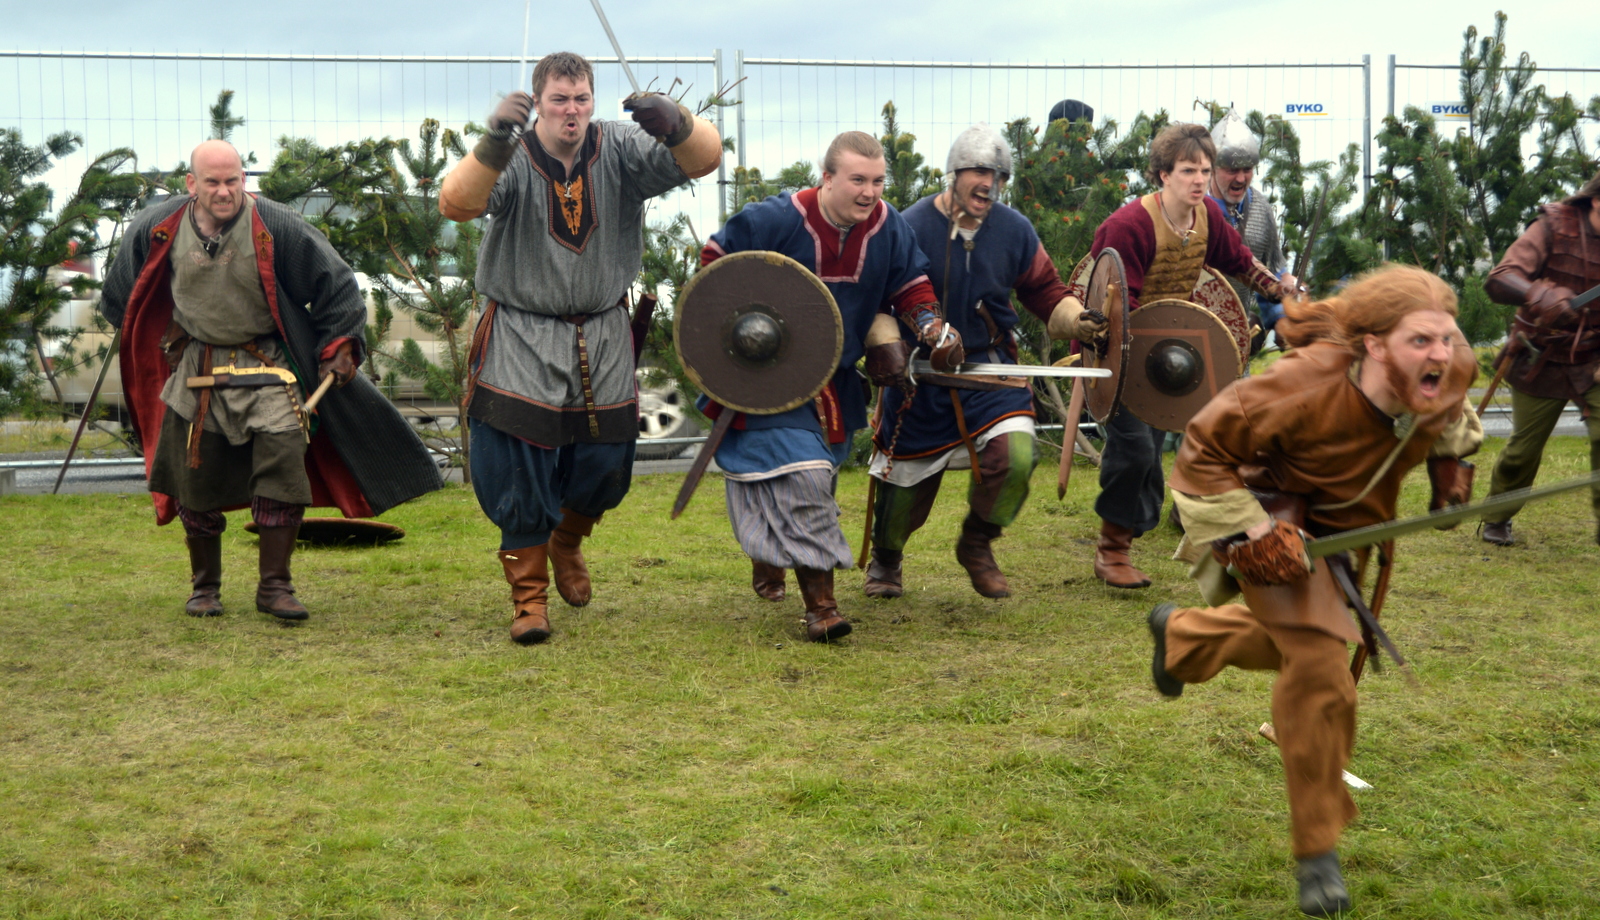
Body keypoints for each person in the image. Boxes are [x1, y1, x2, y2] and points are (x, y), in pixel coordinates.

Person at [1147, 263, 1481, 916]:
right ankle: (1317, 848)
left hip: (1350, 537)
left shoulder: (1449, 364)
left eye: (1446, 337)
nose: (1439, 353)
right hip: (1274, 522)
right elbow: (1201, 449)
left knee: (1300, 645)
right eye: (1421, 341)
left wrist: (1452, 467)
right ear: (1376, 345)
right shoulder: (1297, 386)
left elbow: (1453, 411)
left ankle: (1183, 637)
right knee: (1324, 675)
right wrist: (1252, 532)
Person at [439, 51, 721, 645]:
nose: (572, 110)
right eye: (560, 99)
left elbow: (705, 161)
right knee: (519, 461)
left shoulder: (619, 147)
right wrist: (493, 140)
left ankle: (566, 541)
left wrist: (677, 124)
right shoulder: (511, 154)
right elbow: (456, 203)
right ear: (538, 100)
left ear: (594, 100)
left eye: (582, 99)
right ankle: (529, 599)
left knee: (605, 462)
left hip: (603, 328)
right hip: (521, 327)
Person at [101, 140, 443, 622]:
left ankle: (275, 588)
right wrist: (147, 330)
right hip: (197, 369)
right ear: (191, 184)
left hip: (269, 366)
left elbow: (337, 283)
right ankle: (204, 589)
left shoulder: (275, 225)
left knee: (284, 467)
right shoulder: (157, 228)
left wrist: (341, 343)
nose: (224, 192)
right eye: (213, 182)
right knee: (194, 481)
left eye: (233, 181)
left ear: (244, 179)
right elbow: (124, 294)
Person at [699, 130, 942, 641]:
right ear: (826, 177)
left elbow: (910, 284)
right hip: (763, 382)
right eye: (857, 179)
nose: (869, 192)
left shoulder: (888, 225)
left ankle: (772, 551)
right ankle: (822, 607)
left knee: (822, 480)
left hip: (834, 384)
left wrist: (927, 324)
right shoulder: (774, 218)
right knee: (806, 479)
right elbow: (714, 271)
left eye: (878, 181)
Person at [1063, 123, 1299, 589]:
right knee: (1132, 450)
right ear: (1162, 174)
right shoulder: (1128, 225)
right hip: (1112, 350)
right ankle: (1112, 551)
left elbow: (1239, 261)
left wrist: (1281, 289)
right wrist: (1106, 353)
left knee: (1154, 451)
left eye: (1204, 170)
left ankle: (1141, 524)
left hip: (1168, 352)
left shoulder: (1208, 215)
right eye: (1188, 170)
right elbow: (1104, 296)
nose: (1198, 179)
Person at [864, 123, 1089, 599]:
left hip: (991, 372)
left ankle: (978, 542)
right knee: (900, 489)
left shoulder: (1014, 230)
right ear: (955, 174)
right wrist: (889, 348)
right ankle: (886, 557)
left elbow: (1046, 291)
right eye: (979, 172)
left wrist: (1080, 321)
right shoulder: (910, 225)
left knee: (1019, 454)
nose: (988, 183)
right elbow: (880, 299)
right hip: (919, 377)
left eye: (997, 175)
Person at [1479, 168, 1600, 546]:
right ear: (1596, 199)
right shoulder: (1553, 226)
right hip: (1540, 356)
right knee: (1524, 450)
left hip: (1594, 359)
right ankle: (1496, 517)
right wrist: (1539, 295)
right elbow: (1501, 278)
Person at [1208, 108, 1289, 350]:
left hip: (1236, 340)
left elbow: (1273, 269)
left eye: (1247, 170)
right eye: (1232, 170)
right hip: (1188, 331)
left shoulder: (1260, 207)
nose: (1242, 179)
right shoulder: (1191, 208)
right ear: (1211, 167)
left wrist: (1282, 318)